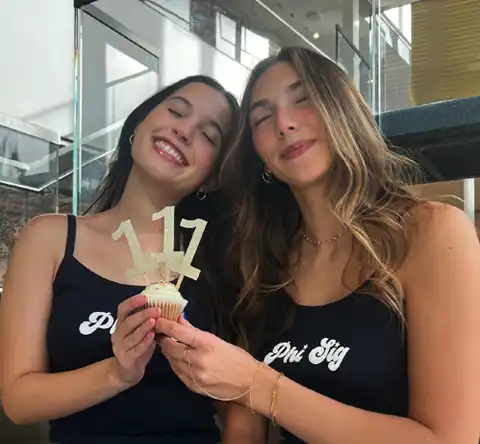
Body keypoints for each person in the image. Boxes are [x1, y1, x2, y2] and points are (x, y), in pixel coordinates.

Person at [156, 47, 480, 444]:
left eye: (303, 99)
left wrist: (258, 384)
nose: (284, 124)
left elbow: (451, 439)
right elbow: (244, 427)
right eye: (262, 117)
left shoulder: (433, 232)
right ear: (260, 158)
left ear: (340, 108)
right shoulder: (262, 259)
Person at [0, 75, 238, 443]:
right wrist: (118, 373)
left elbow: (240, 408)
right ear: (137, 127)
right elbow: (19, 400)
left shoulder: (223, 261)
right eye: (176, 111)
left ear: (211, 178)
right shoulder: (48, 238)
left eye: (208, 135)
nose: (183, 131)